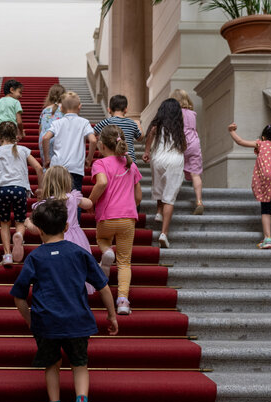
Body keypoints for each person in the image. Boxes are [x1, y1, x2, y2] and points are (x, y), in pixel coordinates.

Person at [10, 200, 119, 402]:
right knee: (79, 364)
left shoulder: (35, 257)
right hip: (77, 320)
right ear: (67, 226)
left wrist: (30, 319)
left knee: (52, 364)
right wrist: (111, 314)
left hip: (46, 321)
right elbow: (103, 287)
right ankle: (81, 399)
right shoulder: (78, 253)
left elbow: (19, 296)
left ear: (39, 230)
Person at [89, 125, 142, 315]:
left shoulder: (100, 164)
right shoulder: (131, 164)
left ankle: (105, 252)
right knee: (125, 262)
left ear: (102, 145)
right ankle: (122, 301)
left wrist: (91, 201)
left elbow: (102, 182)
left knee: (102, 240)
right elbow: (138, 197)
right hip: (128, 217)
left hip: (107, 217)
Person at [27, 165, 96, 294]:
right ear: (67, 182)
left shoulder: (45, 204)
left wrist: (27, 223)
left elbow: (35, 229)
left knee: (57, 270)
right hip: (76, 240)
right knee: (77, 269)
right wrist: (78, 200)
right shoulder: (72, 198)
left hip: (54, 239)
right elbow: (89, 204)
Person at [0, 121, 44, 266]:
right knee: (20, 220)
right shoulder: (23, 150)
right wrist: (40, 188)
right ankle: (19, 236)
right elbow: (39, 167)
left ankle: (7, 255)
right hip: (20, 189)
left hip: (3, 190)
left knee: (4, 223)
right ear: (16, 135)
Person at [143, 98, 186, 249]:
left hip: (158, 158)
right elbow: (184, 146)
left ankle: (159, 212)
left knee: (159, 185)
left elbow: (149, 137)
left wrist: (147, 151)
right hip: (174, 159)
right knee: (170, 197)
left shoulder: (157, 125)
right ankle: (164, 234)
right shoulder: (178, 126)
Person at [41, 92, 97, 192]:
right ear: (80, 106)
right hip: (76, 167)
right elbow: (93, 140)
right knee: (74, 198)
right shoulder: (84, 122)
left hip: (58, 166)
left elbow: (45, 138)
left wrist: (47, 159)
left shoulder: (57, 123)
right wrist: (89, 159)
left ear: (61, 108)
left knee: (56, 196)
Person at [170, 89, 205, 215]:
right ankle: (199, 201)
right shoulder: (192, 113)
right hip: (194, 143)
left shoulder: (176, 114)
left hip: (181, 143)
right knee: (196, 174)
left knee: (174, 171)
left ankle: (170, 199)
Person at [92, 95, 142, 163]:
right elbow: (140, 138)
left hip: (112, 160)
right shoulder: (132, 123)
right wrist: (138, 123)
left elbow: (92, 133)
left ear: (109, 109)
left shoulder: (107, 122)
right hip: (130, 160)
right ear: (126, 109)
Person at [0, 79, 25, 146]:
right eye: (20, 92)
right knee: (9, 152)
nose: (21, 96)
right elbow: (19, 121)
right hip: (10, 129)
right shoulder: (16, 102)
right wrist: (21, 133)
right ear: (12, 90)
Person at [38, 83, 66, 163]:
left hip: (45, 140)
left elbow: (40, 128)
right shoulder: (65, 109)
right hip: (60, 139)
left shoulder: (45, 110)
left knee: (48, 167)